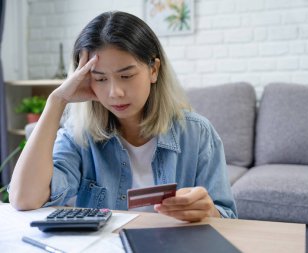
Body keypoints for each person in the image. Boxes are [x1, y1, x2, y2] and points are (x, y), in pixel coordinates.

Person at [9, 11, 237, 221]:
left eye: (126, 76)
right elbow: (24, 199)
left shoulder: (197, 133)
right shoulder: (79, 136)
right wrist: (56, 101)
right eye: (100, 79)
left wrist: (209, 212)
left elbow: (227, 217)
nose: (114, 92)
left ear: (153, 70)